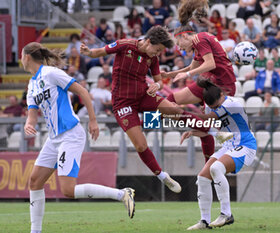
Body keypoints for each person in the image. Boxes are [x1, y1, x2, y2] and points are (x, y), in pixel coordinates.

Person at [80, 26, 232, 193]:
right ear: (148, 42)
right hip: (123, 103)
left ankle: (213, 131)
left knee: (173, 109)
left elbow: (159, 81)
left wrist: (156, 85)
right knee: (140, 145)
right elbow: (99, 51)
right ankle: (162, 175)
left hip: (144, 96)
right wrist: (88, 52)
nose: (157, 54)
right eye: (157, 49)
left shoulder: (153, 59)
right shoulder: (125, 45)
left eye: (160, 51)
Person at [22, 42, 135, 233]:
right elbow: (32, 115)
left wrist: (93, 120)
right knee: (34, 181)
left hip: (70, 134)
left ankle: (123, 194)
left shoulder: (51, 73)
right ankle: (35, 231)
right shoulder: (32, 84)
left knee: (67, 190)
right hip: (54, 138)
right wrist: (29, 124)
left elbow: (82, 91)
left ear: (26, 57)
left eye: (21, 57)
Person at [161, 0, 237, 163]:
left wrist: (188, 74)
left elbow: (211, 64)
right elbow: (192, 66)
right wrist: (169, 74)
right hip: (210, 84)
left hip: (222, 89)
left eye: (178, 43)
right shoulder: (198, 43)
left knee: (206, 125)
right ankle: (209, 162)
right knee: (171, 102)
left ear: (184, 36)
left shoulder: (200, 39)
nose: (179, 49)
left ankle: (217, 155)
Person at [181, 79, 257, 230]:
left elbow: (208, 119)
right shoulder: (213, 109)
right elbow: (212, 129)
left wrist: (179, 114)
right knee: (202, 177)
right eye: (212, 107)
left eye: (216, 106)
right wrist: (193, 132)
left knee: (216, 168)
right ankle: (204, 221)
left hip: (245, 145)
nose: (215, 108)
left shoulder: (231, 104)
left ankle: (226, 214)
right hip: (229, 145)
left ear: (222, 94)